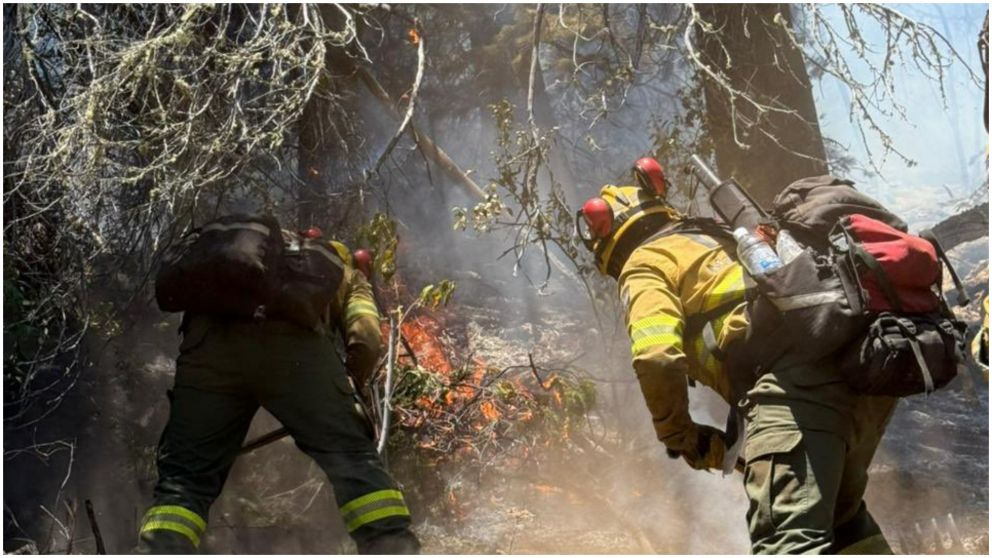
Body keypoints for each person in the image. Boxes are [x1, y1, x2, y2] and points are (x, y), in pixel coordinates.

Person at [576, 160, 896, 554]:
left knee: (786, 542)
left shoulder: (644, 263)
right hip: (862, 376)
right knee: (844, 526)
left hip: (795, 393)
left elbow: (656, 355)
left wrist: (679, 434)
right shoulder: (719, 235)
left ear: (608, 236)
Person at [136, 230, 419, 554]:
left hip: (209, 351)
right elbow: (366, 339)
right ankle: (392, 547)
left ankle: (159, 549)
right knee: (353, 460)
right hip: (296, 352)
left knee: (184, 482)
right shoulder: (347, 269)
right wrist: (350, 382)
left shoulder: (250, 257)